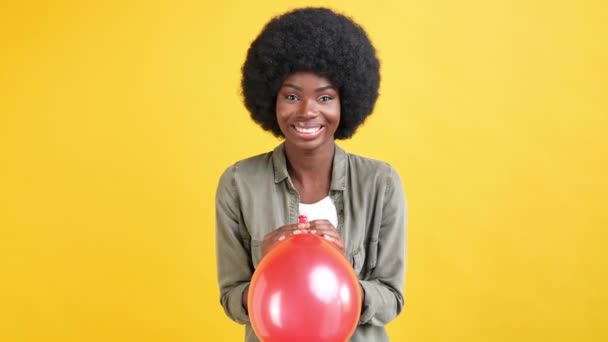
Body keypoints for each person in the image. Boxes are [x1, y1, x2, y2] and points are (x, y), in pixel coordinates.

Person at [215, 7, 407, 341]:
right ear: (270, 100)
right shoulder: (238, 183)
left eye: (325, 97)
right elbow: (232, 298)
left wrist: (340, 268)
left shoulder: (381, 183)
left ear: (345, 102)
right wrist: (268, 266)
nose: (307, 111)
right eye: (291, 96)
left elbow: (392, 298)